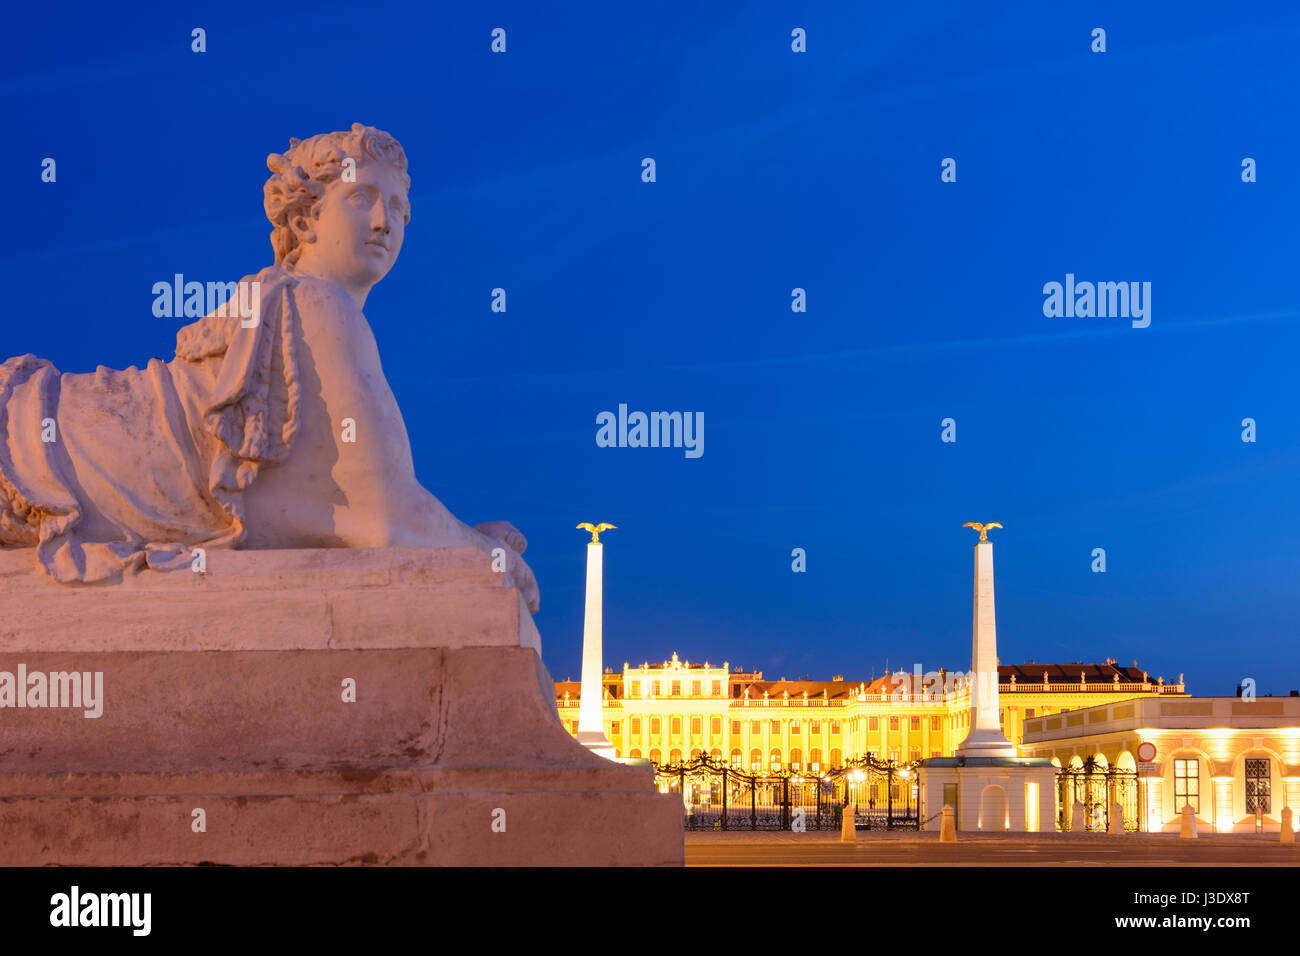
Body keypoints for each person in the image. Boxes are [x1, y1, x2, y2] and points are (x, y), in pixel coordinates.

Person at [0, 123, 538, 613]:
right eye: (361, 198)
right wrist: (485, 553)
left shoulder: (287, 303)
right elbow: (383, 516)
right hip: (57, 450)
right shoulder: (314, 304)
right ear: (305, 219)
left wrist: (460, 535)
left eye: (398, 208)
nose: (384, 222)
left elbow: (372, 508)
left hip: (47, 429)